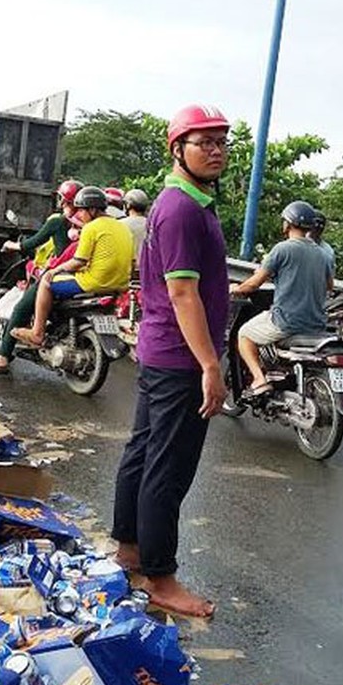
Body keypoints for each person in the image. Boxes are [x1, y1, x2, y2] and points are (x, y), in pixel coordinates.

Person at [110, 104, 231, 619]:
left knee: (144, 451)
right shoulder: (181, 208)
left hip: (163, 350)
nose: (217, 150)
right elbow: (184, 292)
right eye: (204, 142)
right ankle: (161, 577)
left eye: (222, 141)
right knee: (169, 464)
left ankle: (130, 550)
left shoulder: (183, 202)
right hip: (180, 357)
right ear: (177, 149)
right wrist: (210, 365)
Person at [228, 200, 334, 397]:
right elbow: (329, 286)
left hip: (287, 321)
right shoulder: (323, 255)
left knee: (243, 335)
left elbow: (254, 284)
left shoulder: (282, 249)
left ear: (287, 223)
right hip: (316, 324)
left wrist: (236, 289)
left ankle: (259, 380)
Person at [10, 185, 134, 347]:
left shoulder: (91, 228)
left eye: (81, 210)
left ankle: (37, 332)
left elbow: (78, 261)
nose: (79, 215)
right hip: (119, 285)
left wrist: (55, 270)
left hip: (93, 283)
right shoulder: (123, 227)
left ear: (92, 210)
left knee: (46, 282)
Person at [0, 180, 82, 375]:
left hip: (61, 274)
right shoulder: (92, 224)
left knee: (21, 307)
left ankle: (2, 358)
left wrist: (11, 245)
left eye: (62, 199)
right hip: (85, 276)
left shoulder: (58, 221)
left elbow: (29, 244)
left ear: (65, 201)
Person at [121, 188, 150, 261]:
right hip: (147, 267)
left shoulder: (120, 224)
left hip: (129, 267)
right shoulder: (150, 223)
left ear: (128, 205)